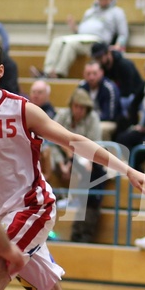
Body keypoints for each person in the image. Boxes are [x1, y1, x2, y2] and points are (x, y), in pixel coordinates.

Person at [0, 44, 145, 290]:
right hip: (0, 220)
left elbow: (73, 141)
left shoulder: (21, 110)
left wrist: (127, 170)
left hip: (30, 208)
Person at [38, 0, 128, 79]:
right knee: (57, 41)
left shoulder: (117, 12)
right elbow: (80, 31)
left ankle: (58, 74)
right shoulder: (89, 12)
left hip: (96, 42)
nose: (103, 1)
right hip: (81, 38)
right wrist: (74, 28)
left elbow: (123, 34)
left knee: (70, 46)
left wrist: (118, 45)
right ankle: (47, 71)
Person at [51, 89, 105, 242]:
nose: (79, 111)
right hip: (62, 159)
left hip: (87, 160)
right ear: (71, 106)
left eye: (83, 108)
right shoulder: (62, 115)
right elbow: (51, 140)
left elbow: (95, 146)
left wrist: (74, 159)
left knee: (93, 187)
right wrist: (62, 163)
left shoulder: (92, 119)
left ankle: (83, 233)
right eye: (76, 106)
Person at [90, 41, 143, 112]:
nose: (98, 61)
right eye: (96, 58)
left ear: (108, 53)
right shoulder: (102, 69)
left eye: (100, 57)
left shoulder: (125, 65)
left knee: (123, 102)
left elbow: (128, 91)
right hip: (116, 97)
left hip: (132, 97)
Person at [78, 60, 122, 140]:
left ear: (101, 73)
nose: (91, 77)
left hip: (107, 121)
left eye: (94, 74)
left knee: (101, 128)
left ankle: (102, 151)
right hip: (87, 120)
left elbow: (110, 115)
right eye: (88, 74)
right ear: (83, 74)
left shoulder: (109, 88)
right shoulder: (81, 87)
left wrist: (91, 120)